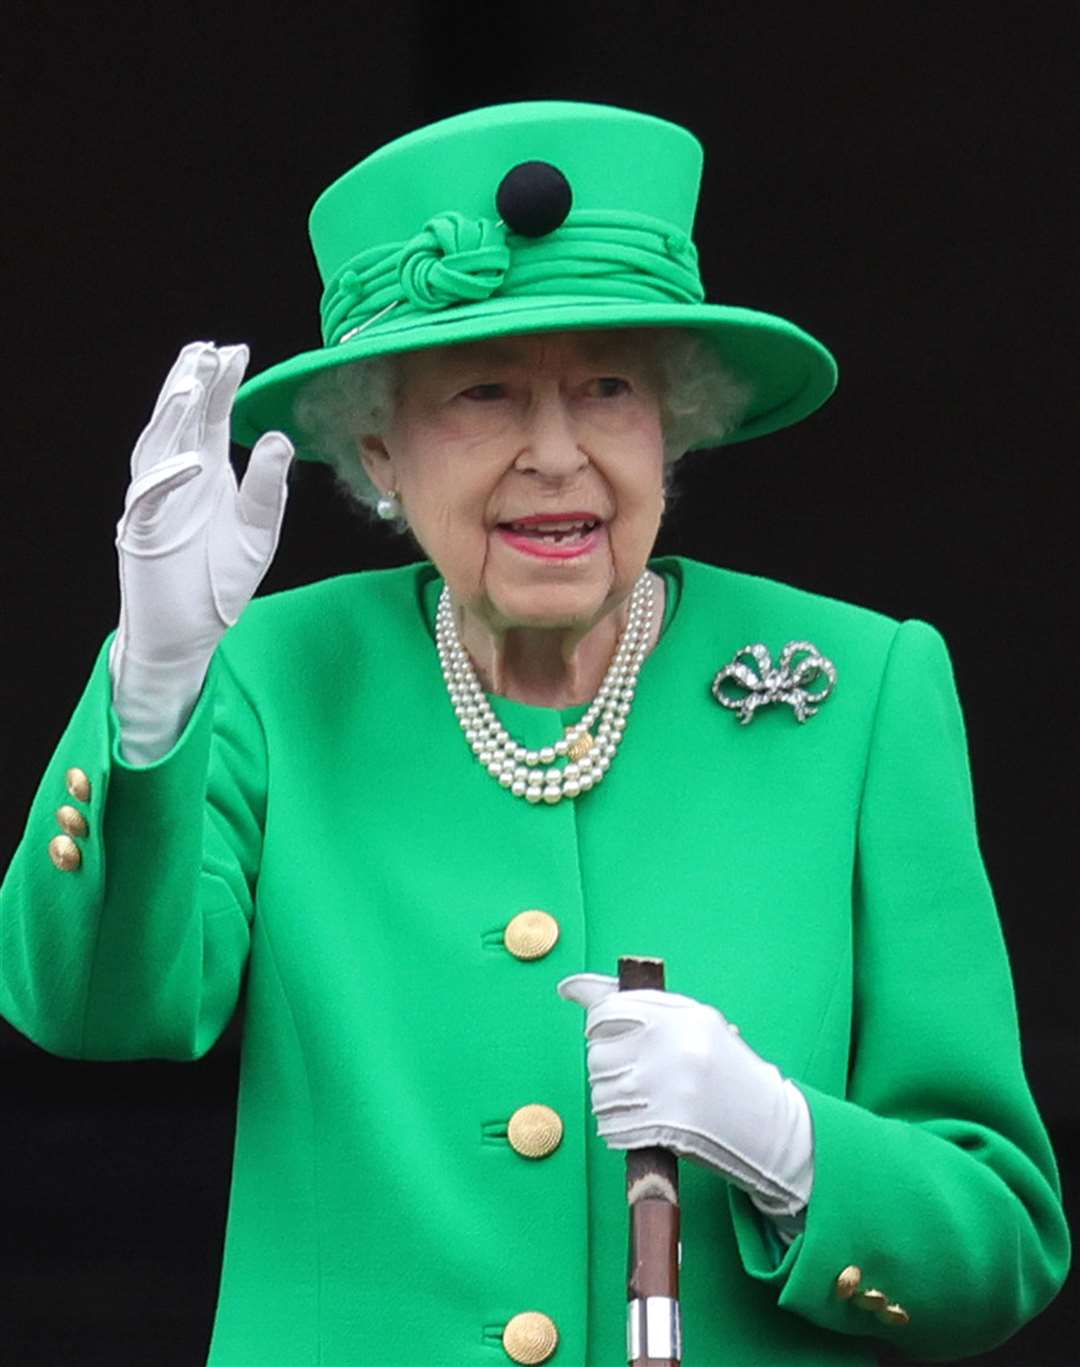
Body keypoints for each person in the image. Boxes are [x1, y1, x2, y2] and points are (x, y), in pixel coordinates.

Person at [0, 100, 1069, 1367]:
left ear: (673, 424)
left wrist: (785, 1140)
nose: (554, 454)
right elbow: (99, 1009)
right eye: (486, 393)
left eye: (608, 388)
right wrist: (154, 689)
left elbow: (1001, 1241)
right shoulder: (274, 674)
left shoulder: (865, 684)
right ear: (380, 447)